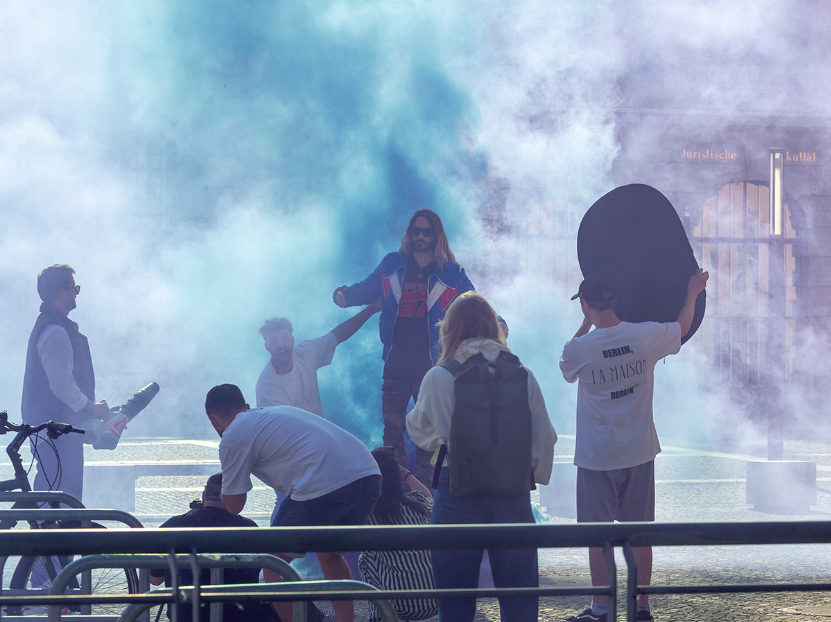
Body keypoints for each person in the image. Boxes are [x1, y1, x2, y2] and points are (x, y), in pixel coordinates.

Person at [558, 270, 709, 622]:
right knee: (641, 534)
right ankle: (641, 607)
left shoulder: (579, 348)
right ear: (615, 301)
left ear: (586, 305)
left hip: (597, 456)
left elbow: (567, 365)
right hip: (639, 451)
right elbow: (682, 327)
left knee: (597, 536)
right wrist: (692, 292)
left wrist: (585, 325)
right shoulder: (643, 337)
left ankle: (600, 608)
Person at [406, 291, 557, 622]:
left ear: (450, 330)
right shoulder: (522, 373)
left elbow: (416, 428)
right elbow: (546, 439)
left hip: (456, 489)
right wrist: (527, 474)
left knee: (455, 601)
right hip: (512, 493)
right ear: (493, 326)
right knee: (519, 601)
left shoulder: (439, 376)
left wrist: (441, 439)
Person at [204, 384, 382, 622]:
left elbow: (234, 505)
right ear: (247, 406)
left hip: (324, 483)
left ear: (213, 420)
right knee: (329, 554)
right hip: (369, 475)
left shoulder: (233, 435)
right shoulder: (276, 412)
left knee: (271, 560)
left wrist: (222, 490)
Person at [333, 209, 475, 485]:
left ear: (437, 235)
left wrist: (498, 322)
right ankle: (398, 495)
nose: (420, 236)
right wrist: (344, 296)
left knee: (430, 437)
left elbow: (473, 302)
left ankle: (425, 499)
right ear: (409, 234)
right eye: (415, 231)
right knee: (392, 436)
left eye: (426, 231)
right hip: (396, 364)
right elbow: (366, 289)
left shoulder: (452, 272)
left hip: (431, 368)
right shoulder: (392, 263)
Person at [21, 264, 109, 502]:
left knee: (55, 487)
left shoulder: (54, 327)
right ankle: (46, 536)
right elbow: (62, 386)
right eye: (74, 288)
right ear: (61, 292)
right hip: (55, 430)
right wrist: (92, 407)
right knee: (57, 491)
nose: (76, 292)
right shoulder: (55, 331)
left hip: (57, 428)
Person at [149, 473, 285, 622]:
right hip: (239, 618)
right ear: (234, 497)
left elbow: (154, 580)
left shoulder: (173, 526)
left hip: (185, 618)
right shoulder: (249, 529)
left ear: (204, 495)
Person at [255, 299, 381, 415]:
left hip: (320, 436)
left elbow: (338, 334)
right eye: (274, 340)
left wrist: (373, 308)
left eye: (285, 338)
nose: (281, 345)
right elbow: (277, 431)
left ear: (292, 340)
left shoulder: (306, 352)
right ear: (266, 346)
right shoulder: (267, 388)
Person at [358, 447, 438, 622]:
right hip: (437, 600)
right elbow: (429, 497)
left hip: (399, 606)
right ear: (397, 478)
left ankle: (378, 617)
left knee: (366, 557)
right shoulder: (418, 503)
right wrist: (406, 474)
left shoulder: (367, 515)